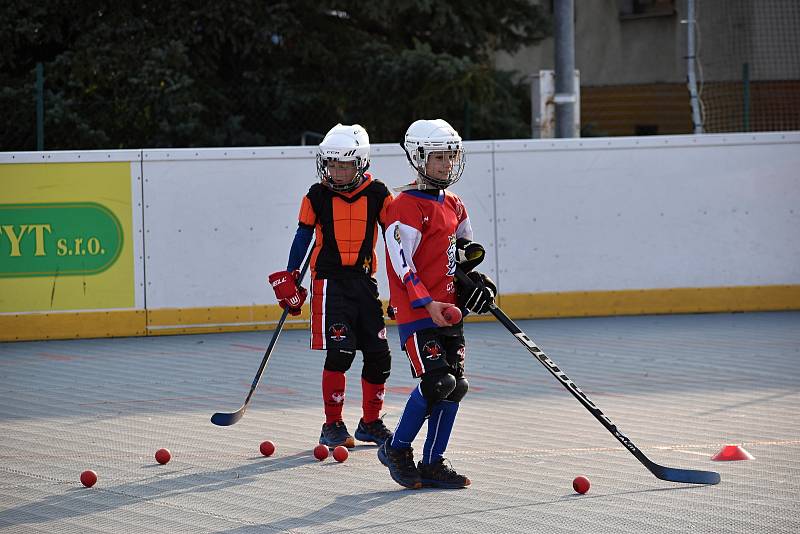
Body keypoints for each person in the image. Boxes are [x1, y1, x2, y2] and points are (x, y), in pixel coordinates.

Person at [379, 119, 497, 489]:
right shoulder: (404, 207)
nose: (447, 164)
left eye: (451, 156)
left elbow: (460, 256)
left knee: (456, 385)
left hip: (449, 312)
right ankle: (396, 449)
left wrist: (478, 285)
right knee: (437, 381)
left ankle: (433, 463)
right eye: (438, 158)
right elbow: (403, 266)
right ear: (418, 159)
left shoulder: (455, 205)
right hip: (417, 313)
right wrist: (427, 304)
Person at [269, 123, 394, 449]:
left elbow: (395, 243)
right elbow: (302, 236)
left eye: (345, 165)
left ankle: (370, 422)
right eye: (332, 164)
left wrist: (403, 288)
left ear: (361, 163)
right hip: (330, 285)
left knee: (379, 355)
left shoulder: (379, 194)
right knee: (340, 352)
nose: (337, 172)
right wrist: (291, 274)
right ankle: (332, 425)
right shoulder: (316, 195)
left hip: (365, 284)